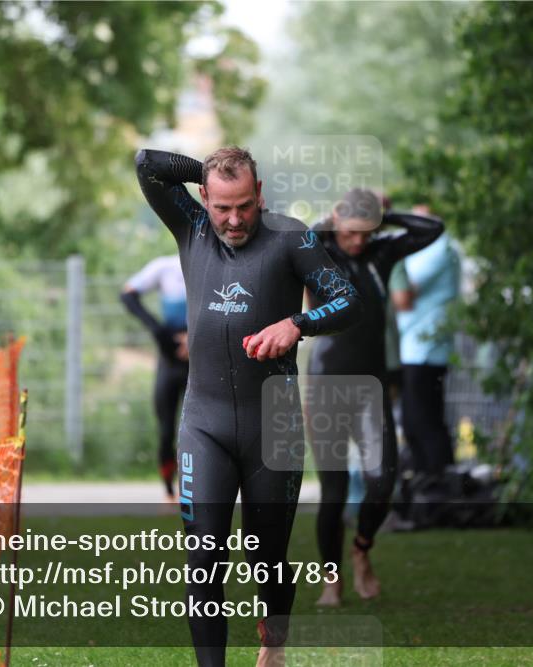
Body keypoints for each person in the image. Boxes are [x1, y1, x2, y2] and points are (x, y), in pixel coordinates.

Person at [135, 146, 363, 667]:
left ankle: (273, 643)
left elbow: (350, 300)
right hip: (205, 425)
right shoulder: (191, 227)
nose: (234, 219)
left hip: (273, 426)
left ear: (259, 195)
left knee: (267, 559)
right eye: (222, 206)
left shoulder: (290, 237)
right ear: (203, 199)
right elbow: (146, 162)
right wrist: (212, 171)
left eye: (244, 205)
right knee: (204, 560)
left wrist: (297, 324)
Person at [305, 189, 442, 606]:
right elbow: (310, 231)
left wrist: (384, 213)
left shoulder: (381, 254)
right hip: (326, 383)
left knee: (383, 480)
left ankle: (362, 550)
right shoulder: (320, 250)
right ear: (336, 223)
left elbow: (433, 228)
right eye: (350, 232)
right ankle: (332, 578)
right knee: (334, 489)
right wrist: (337, 217)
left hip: (371, 385)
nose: (358, 241)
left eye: (367, 232)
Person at [390, 205, 462, 477]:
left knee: (426, 423)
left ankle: (440, 489)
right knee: (413, 424)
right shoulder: (426, 249)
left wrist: (390, 261)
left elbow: (402, 296)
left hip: (427, 350)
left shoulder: (439, 247)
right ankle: (426, 490)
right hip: (414, 348)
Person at [120, 254, 189, 500]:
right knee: (166, 429)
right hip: (170, 359)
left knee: (197, 430)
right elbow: (127, 294)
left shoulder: (217, 261)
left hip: (201, 359)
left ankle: (193, 489)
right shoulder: (164, 267)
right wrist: (158, 331)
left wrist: (196, 339)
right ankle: (169, 490)